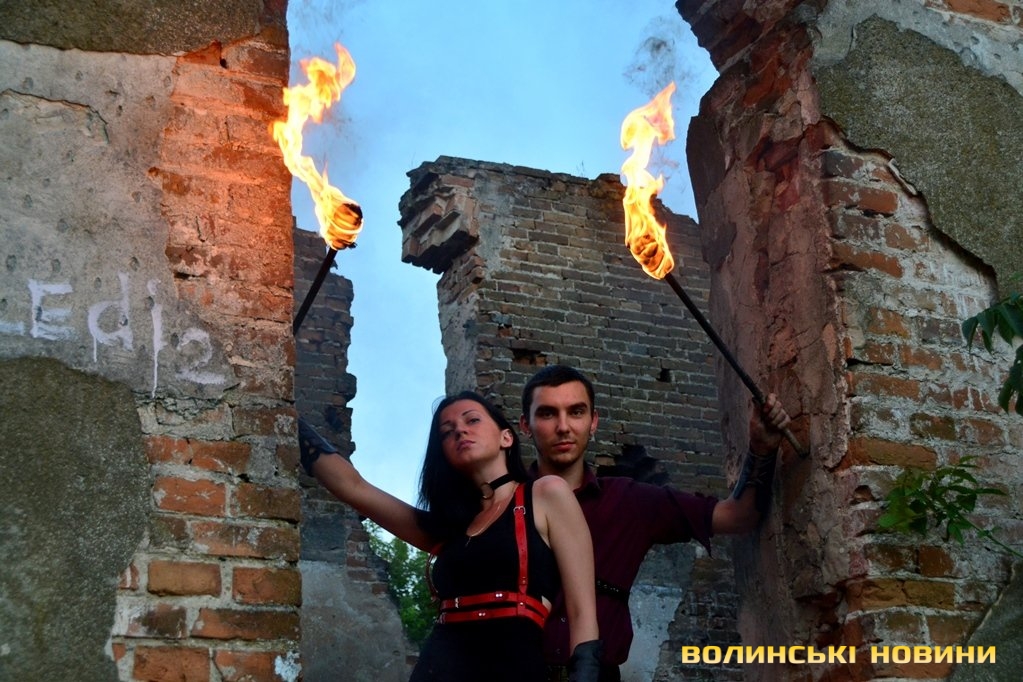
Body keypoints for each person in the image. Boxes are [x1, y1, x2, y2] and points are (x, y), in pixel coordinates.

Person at [298, 390, 602, 681]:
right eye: (447, 432)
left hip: (513, 669)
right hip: (436, 669)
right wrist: (285, 415)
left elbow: (581, 610)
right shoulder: (449, 528)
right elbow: (354, 487)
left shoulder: (547, 493)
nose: (459, 431)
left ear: (506, 437)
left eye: (472, 420)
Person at [518, 365, 792, 682]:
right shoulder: (504, 504)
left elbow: (738, 515)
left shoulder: (629, 501)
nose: (563, 427)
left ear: (593, 421)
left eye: (576, 412)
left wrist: (761, 449)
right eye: (548, 414)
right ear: (526, 425)